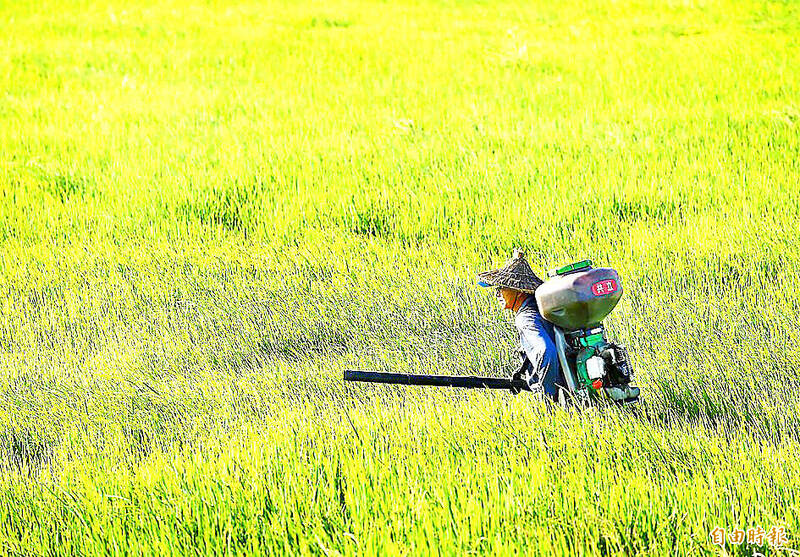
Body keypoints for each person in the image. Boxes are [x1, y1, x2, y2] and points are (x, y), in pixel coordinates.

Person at [477, 248, 563, 402]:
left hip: (564, 395)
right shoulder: (545, 308)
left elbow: (546, 351)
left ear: (519, 291)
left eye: (501, 288)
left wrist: (548, 399)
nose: (497, 294)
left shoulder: (526, 318)